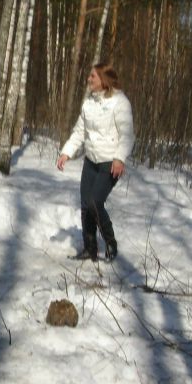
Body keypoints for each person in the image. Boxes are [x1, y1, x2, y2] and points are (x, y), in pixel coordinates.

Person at [56, 63, 133, 262]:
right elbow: (79, 132)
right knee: (85, 204)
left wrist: (119, 158)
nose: (89, 79)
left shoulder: (120, 102)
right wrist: (67, 153)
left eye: (93, 76)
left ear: (104, 80)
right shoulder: (88, 102)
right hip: (91, 160)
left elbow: (127, 135)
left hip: (110, 163)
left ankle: (110, 243)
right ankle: (89, 250)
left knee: (95, 202)